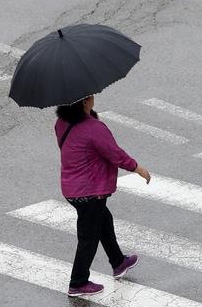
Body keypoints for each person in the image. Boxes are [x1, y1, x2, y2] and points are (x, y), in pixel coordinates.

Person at [54, 95, 150, 296]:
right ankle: (78, 282)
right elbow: (114, 153)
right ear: (84, 102)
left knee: (104, 220)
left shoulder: (62, 123)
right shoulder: (94, 128)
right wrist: (137, 168)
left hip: (72, 188)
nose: (93, 97)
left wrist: (91, 118)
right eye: (89, 95)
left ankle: (118, 262)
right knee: (88, 238)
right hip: (90, 191)